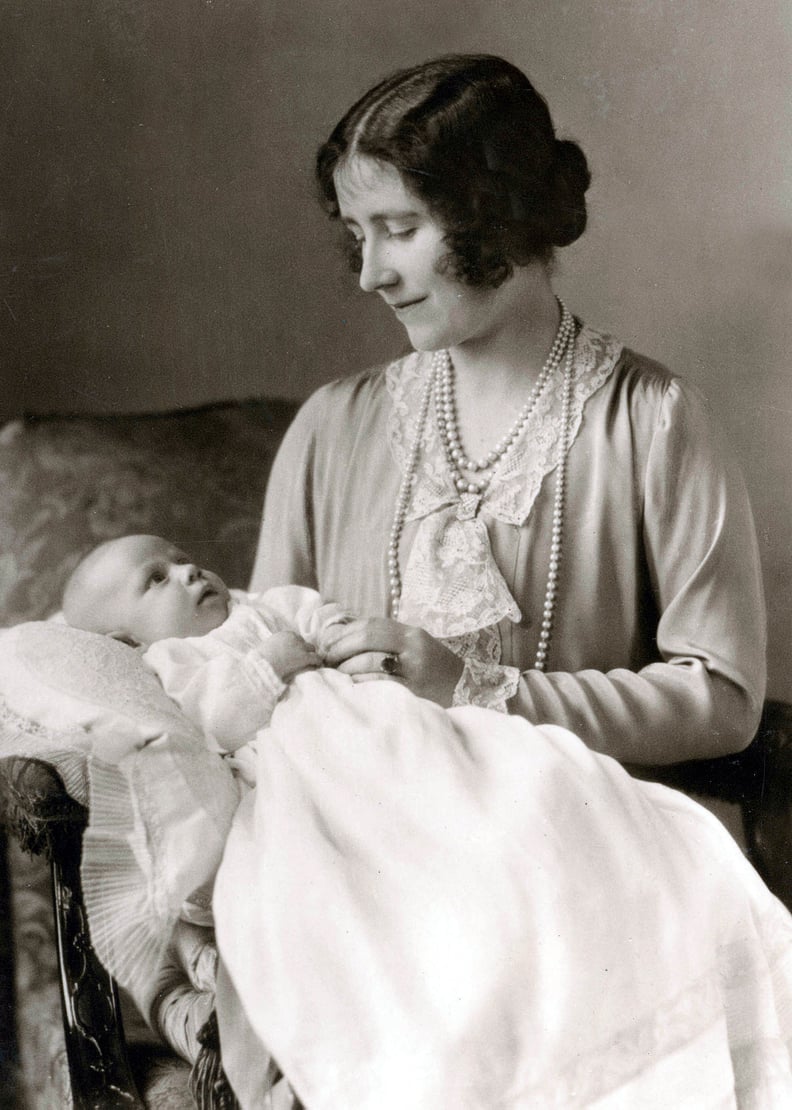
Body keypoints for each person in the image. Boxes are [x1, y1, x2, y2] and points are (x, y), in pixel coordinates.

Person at [252, 52, 766, 769]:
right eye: (357, 236)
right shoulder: (330, 428)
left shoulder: (655, 422)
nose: (372, 274)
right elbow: (256, 665)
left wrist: (480, 689)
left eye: (400, 229)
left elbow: (724, 697)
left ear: (497, 214)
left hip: (568, 838)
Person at [62, 532, 349, 759]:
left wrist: (332, 630)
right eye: (158, 578)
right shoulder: (173, 661)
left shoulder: (252, 604)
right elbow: (214, 726)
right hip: (296, 747)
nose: (189, 569)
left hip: (348, 703)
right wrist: (267, 669)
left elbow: (308, 610)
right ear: (129, 641)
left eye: (182, 559)